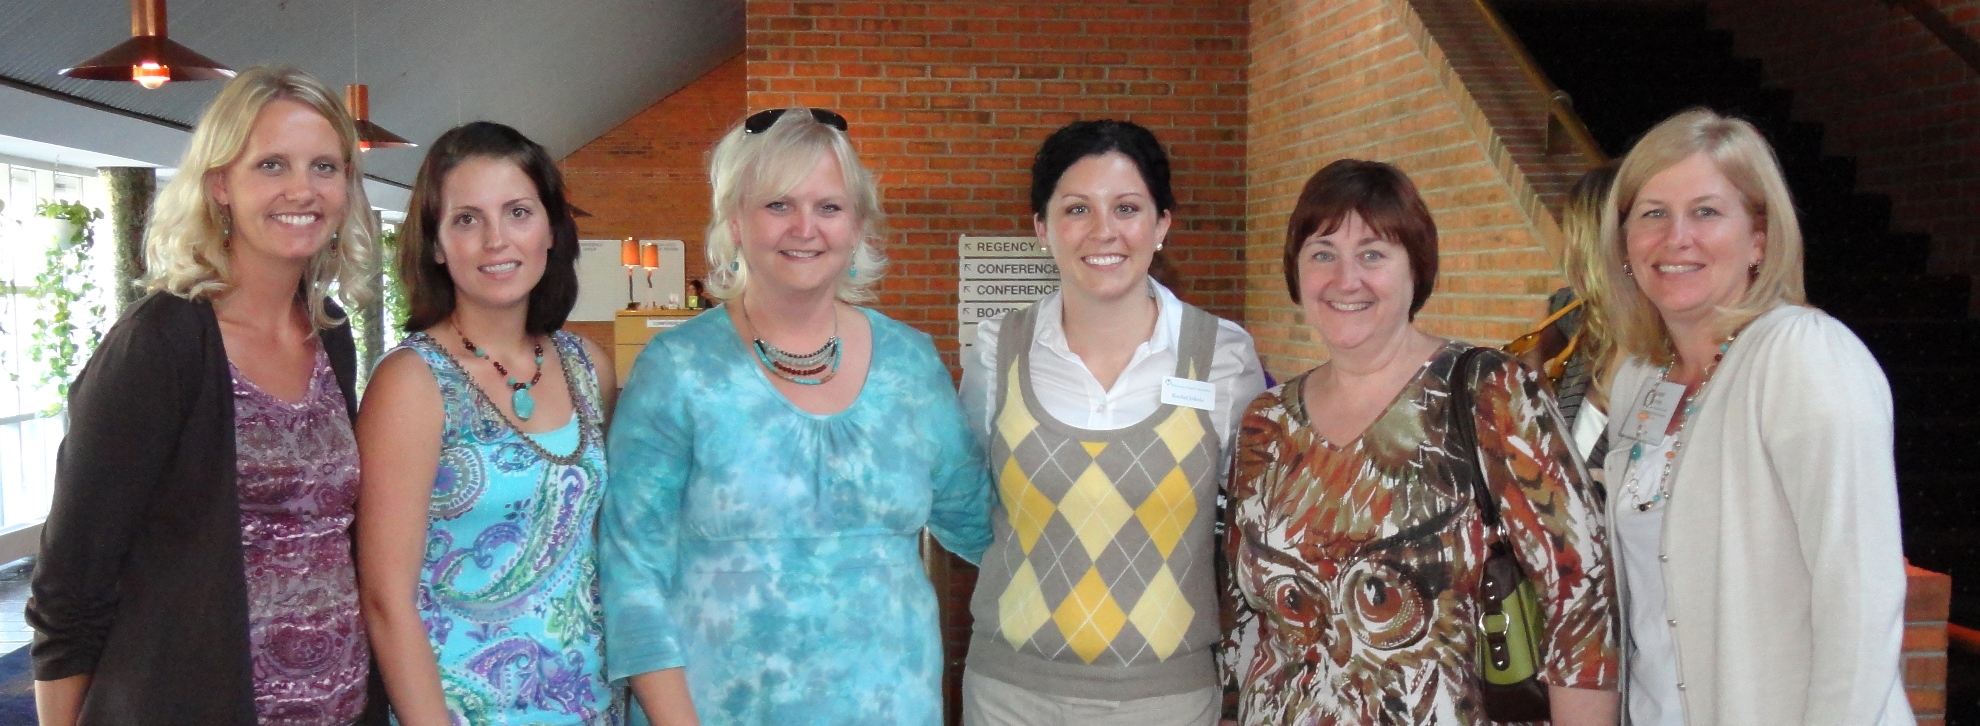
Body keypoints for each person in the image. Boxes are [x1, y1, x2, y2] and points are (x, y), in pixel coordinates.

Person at [600, 107, 994, 726]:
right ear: (735, 220)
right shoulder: (678, 369)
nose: (804, 228)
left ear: (857, 225)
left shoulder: (911, 365)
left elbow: (984, 523)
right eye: (777, 204)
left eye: (828, 207)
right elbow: (630, 572)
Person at [26, 66, 385, 726]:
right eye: (271, 165)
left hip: (342, 706)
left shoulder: (329, 333)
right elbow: (70, 581)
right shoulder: (161, 341)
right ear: (220, 184)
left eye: (325, 167)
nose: (302, 189)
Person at [1220, 159, 1618, 725]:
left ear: (1416, 269)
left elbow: (1580, 596)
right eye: (1323, 253)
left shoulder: (1489, 393)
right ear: (1296, 271)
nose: (1346, 279)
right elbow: (1244, 616)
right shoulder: (1268, 421)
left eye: (1373, 254)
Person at [1596, 108, 1911, 726]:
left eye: (1706, 212)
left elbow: (1861, 595)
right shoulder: (1640, 375)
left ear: (1760, 239)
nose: (1676, 237)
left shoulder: (1803, 355)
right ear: (1624, 241)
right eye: (1653, 213)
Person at [956, 119, 1266, 726]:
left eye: (1127, 208)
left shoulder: (1223, 356)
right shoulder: (998, 350)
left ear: (1162, 225)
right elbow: (968, 506)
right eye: (1078, 209)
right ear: (1042, 228)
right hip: (1008, 696)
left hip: (1166, 701)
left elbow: (1252, 525)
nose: (1104, 231)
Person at [356, 121, 623, 725]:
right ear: (436, 244)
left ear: (551, 230)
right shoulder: (411, 382)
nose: (496, 240)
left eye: (518, 212)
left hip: (589, 706)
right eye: (467, 219)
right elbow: (385, 599)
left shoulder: (589, 368)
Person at [1506, 164, 1621, 476]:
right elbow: (1555, 307)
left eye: (1570, 233)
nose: (1565, 247)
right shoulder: (1584, 314)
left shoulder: (1671, 353)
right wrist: (1533, 355)